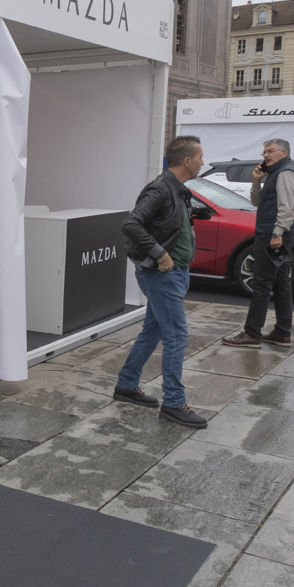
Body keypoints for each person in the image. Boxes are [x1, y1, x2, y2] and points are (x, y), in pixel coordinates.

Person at [112, 136, 208, 429]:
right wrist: (160, 254)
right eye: (201, 157)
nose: (204, 162)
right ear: (187, 161)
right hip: (162, 274)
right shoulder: (160, 188)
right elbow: (131, 224)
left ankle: (127, 385)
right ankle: (174, 404)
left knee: (152, 331)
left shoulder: (177, 190)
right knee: (177, 336)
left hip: (173, 274)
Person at [221, 139, 294, 349]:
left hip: (273, 236)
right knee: (281, 283)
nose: (266, 155)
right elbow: (257, 203)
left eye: (271, 151)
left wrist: (277, 234)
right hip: (276, 235)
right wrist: (257, 180)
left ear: (285, 152)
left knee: (262, 283)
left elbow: (287, 208)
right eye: (264, 152)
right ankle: (282, 333)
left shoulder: (286, 173)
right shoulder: (275, 173)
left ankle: (252, 334)